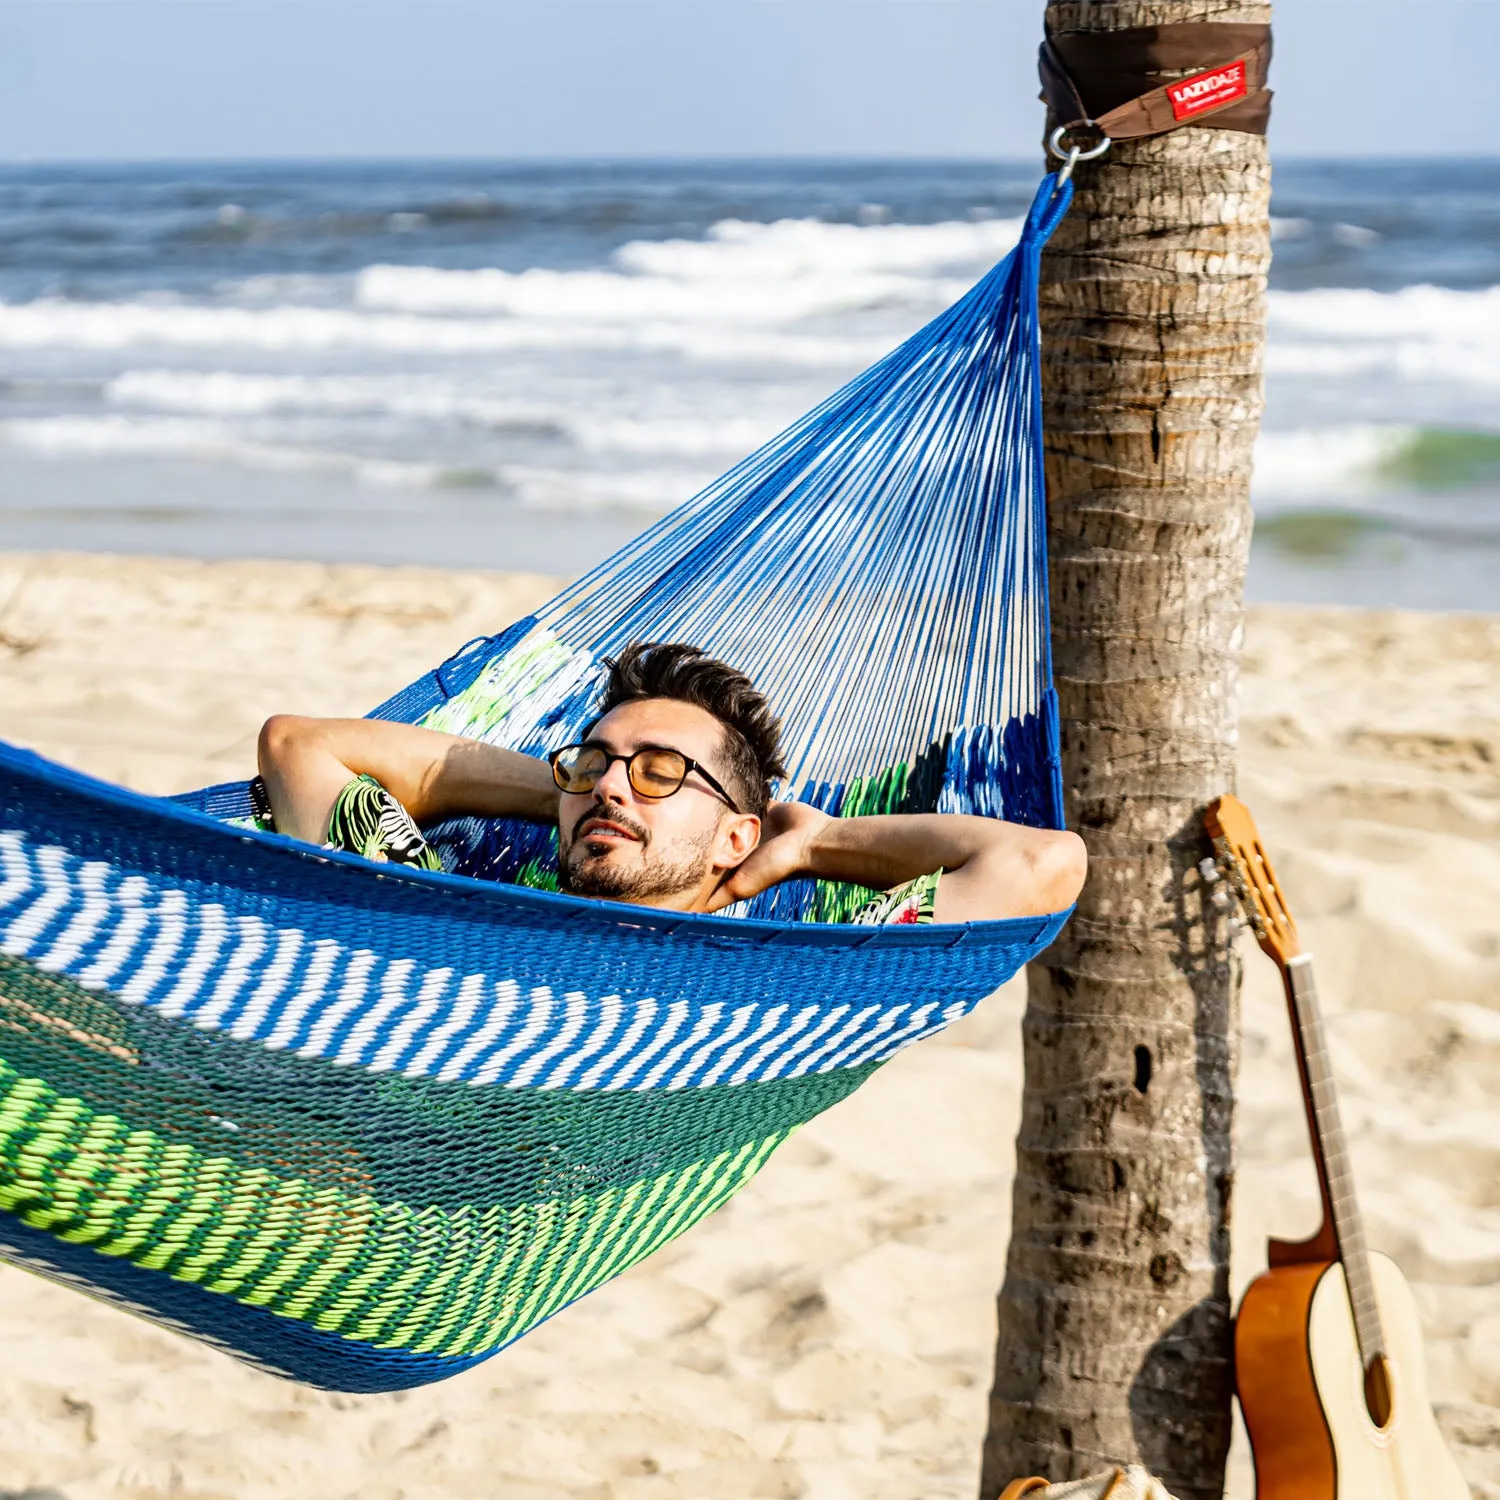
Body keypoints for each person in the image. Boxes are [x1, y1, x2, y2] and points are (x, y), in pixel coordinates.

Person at [256, 642, 1086, 924]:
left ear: (736, 836)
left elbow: (1046, 864)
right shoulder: (426, 902)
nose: (615, 784)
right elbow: (299, 746)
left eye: (661, 772)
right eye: (597, 760)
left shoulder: (787, 978)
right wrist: (570, 796)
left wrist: (817, 845)